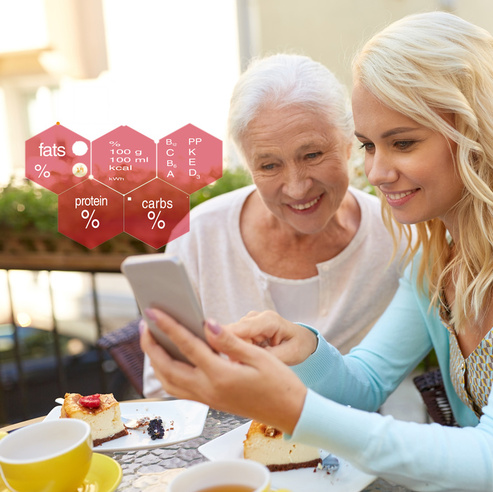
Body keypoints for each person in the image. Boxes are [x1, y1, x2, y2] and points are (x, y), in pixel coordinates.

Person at [141, 12, 493, 491]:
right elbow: (363, 385)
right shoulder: (440, 251)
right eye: (368, 145)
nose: (378, 171)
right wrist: (302, 349)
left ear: (476, 130)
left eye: (403, 142)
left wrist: (293, 408)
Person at [142, 54, 407, 397]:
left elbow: (377, 385)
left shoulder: (398, 233)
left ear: (347, 146)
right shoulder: (198, 234)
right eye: (269, 166)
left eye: (312, 155)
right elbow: (164, 387)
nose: (297, 188)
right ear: (248, 166)